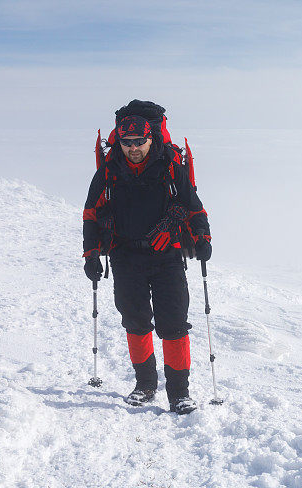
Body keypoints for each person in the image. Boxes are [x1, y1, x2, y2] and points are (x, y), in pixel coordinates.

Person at [82, 108, 212, 415]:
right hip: (125, 256)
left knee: (174, 324)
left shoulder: (169, 167)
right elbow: (90, 214)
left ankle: (179, 393)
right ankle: (145, 384)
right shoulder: (109, 171)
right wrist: (91, 255)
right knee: (136, 322)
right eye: (127, 141)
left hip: (166, 255)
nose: (133, 147)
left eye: (139, 140)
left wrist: (202, 236)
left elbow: (194, 207)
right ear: (120, 142)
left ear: (151, 138)